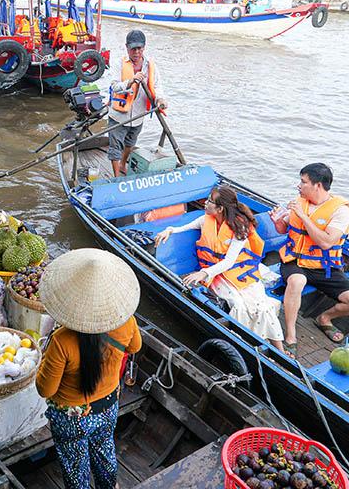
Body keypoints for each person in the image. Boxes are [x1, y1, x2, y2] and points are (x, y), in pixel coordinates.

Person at [37, 248, 142, 489]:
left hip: (71, 417)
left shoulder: (62, 340)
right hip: (107, 405)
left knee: (76, 465)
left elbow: (46, 389)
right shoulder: (126, 321)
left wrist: (42, 364)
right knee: (105, 449)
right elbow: (134, 346)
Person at [155, 186, 285, 352]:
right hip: (217, 276)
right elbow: (185, 227)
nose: (205, 203)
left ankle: (278, 350)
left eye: (209, 201)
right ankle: (244, 345)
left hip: (239, 273)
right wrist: (169, 230)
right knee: (238, 304)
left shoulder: (240, 228)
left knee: (262, 305)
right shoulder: (205, 220)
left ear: (220, 208)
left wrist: (203, 273)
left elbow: (229, 261)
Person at [269, 163, 349, 358]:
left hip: (324, 267)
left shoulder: (340, 211)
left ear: (318, 185)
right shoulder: (299, 202)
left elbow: (326, 243)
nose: (299, 185)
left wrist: (303, 216)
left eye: (303, 182)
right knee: (297, 281)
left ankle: (324, 318)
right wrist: (278, 222)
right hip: (294, 261)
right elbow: (284, 229)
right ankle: (290, 335)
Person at [107, 30, 167, 177]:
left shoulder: (150, 65)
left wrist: (160, 99)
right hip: (119, 115)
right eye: (133, 48)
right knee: (115, 147)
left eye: (139, 48)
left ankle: (123, 164)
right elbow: (114, 86)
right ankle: (116, 177)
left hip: (138, 115)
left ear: (144, 48)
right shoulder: (119, 63)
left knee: (130, 143)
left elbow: (157, 86)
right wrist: (131, 81)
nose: (136, 52)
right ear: (127, 47)